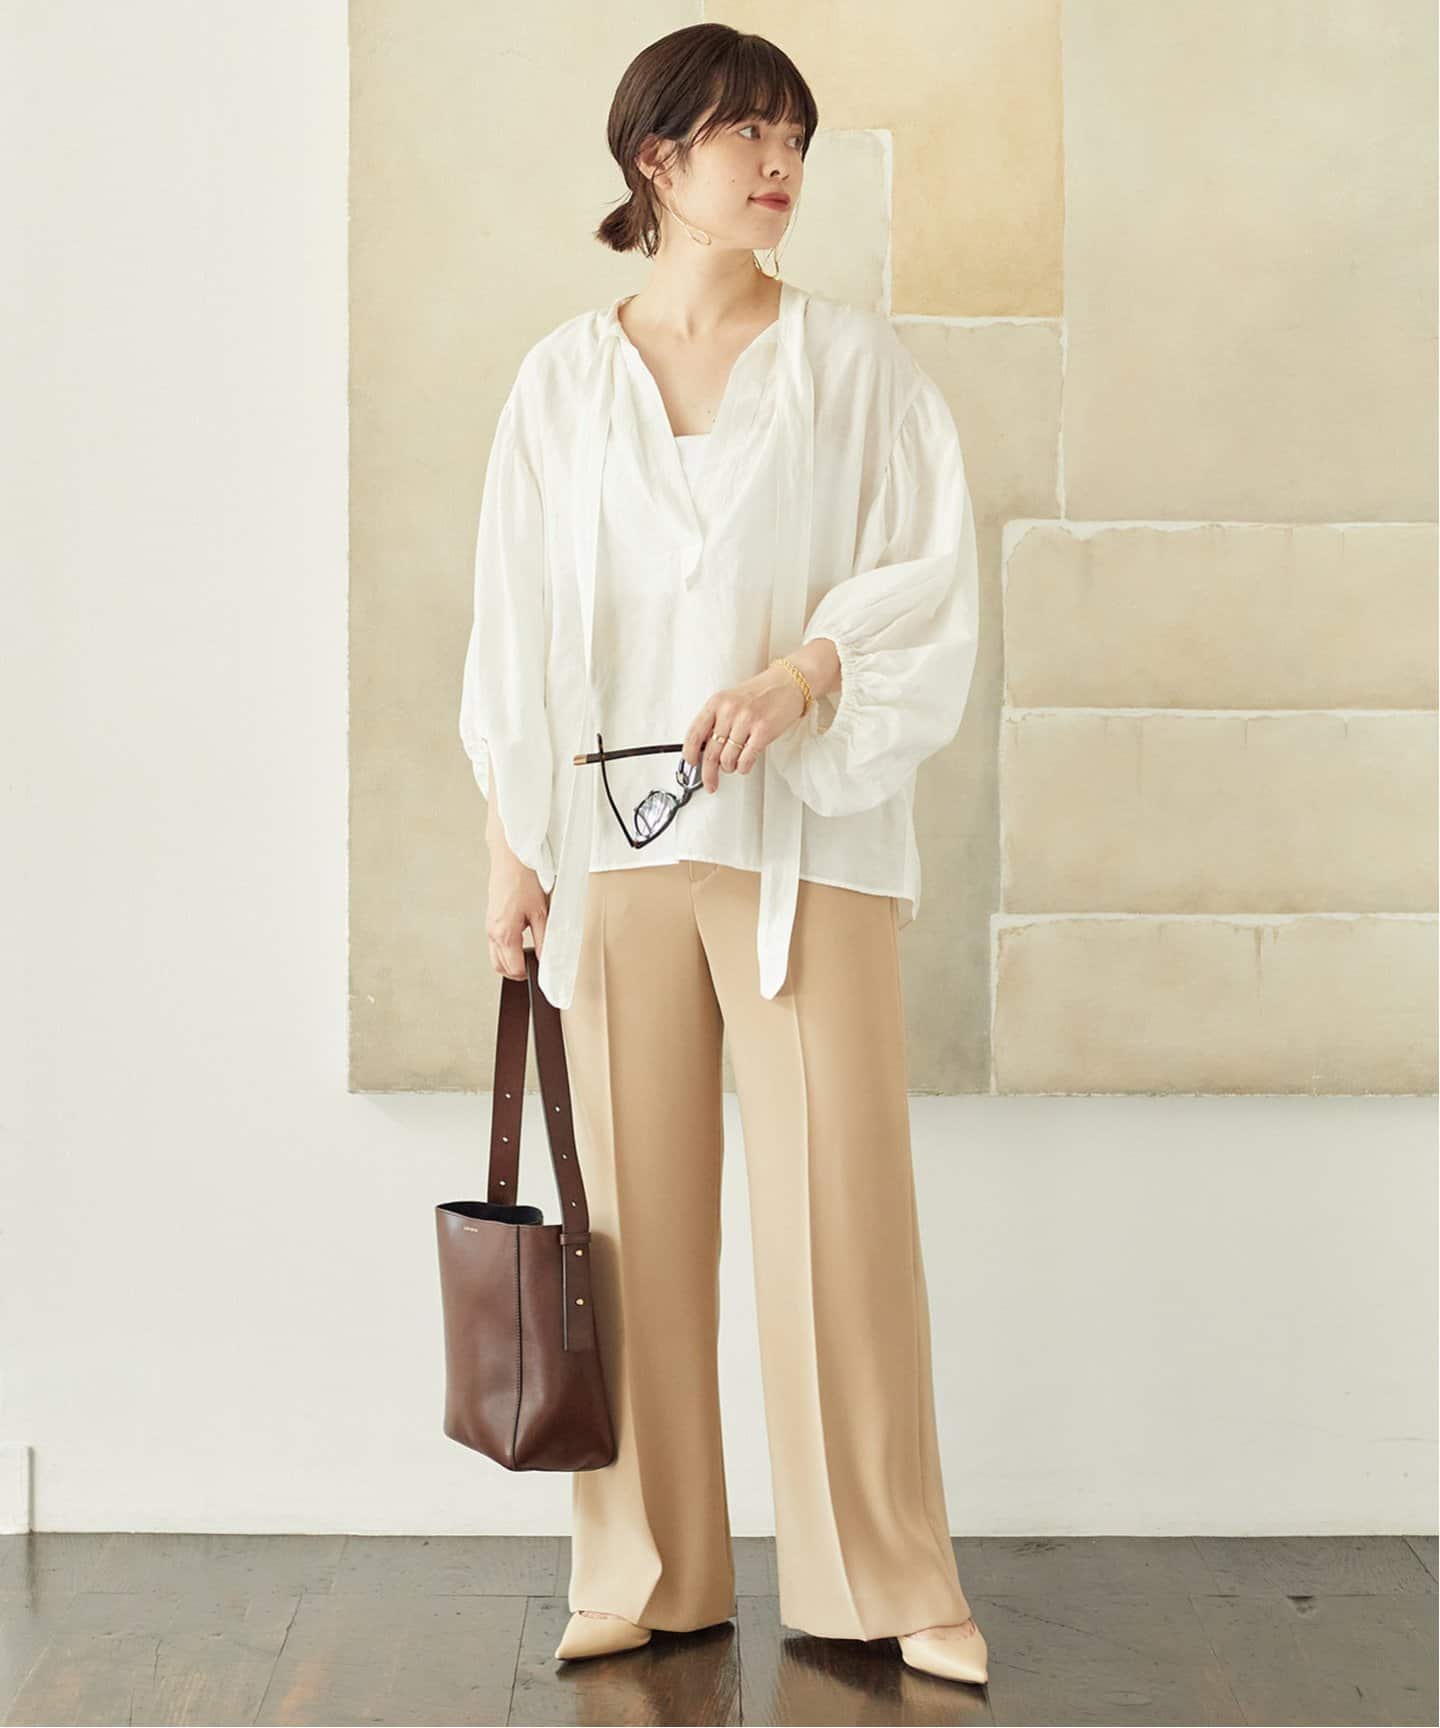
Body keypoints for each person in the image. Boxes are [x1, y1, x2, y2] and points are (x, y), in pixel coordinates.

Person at [458, 22, 988, 1688]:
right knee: (623, 1231)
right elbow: (516, 634)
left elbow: (926, 575)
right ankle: (642, 1564)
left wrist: (801, 674)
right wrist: (513, 850)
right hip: (612, 857)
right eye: (746, 133)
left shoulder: (854, 370)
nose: (779, 164)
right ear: (656, 160)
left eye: (794, 137)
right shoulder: (562, 383)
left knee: (844, 1221)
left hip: (807, 845)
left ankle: (885, 1576)